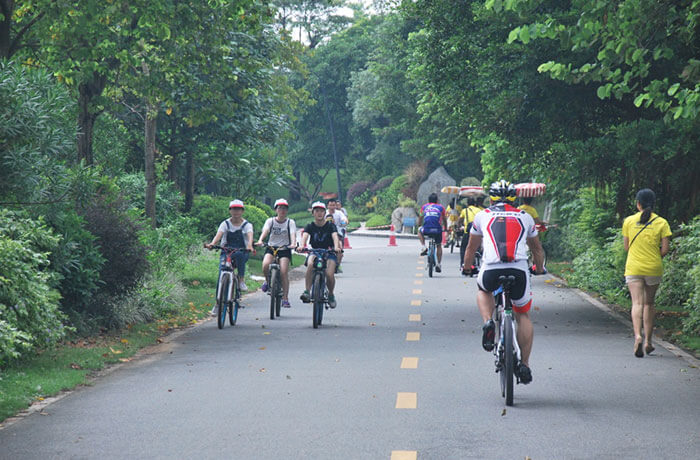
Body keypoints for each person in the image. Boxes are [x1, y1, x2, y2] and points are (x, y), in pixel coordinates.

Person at [462, 180, 545, 384]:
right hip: (518, 270)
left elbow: (471, 249)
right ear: (514, 198)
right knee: (522, 314)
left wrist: (467, 268)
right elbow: (536, 249)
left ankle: (488, 322)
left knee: (483, 290)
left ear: (491, 199)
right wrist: (540, 268)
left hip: (491, 268)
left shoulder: (482, 216)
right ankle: (524, 365)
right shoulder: (525, 217)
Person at [622, 188, 672, 357]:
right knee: (649, 304)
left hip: (634, 268)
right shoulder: (662, 222)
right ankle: (649, 342)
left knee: (637, 303)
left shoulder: (629, 221)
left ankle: (637, 336)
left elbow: (626, 247)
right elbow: (665, 249)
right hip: (653, 268)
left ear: (638, 204)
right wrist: (652, 256)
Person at [205, 199, 255, 314]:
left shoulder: (247, 225)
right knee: (221, 273)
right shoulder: (225, 223)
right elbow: (219, 235)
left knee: (239, 255)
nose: (236, 212)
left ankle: (241, 280)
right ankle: (218, 304)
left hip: (241, 251)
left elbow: (249, 236)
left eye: (238, 209)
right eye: (233, 209)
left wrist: (249, 246)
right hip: (226, 251)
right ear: (230, 211)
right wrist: (212, 244)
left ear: (242, 211)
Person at [299, 201, 342, 308]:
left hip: (329, 252)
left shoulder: (330, 226)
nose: (319, 213)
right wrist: (301, 245)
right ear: (313, 213)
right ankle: (307, 291)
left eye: (322, 211)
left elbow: (335, 237)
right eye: (317, 211)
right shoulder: (310, 226)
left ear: (324, 213)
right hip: (315, 251)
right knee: (310, 264)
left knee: (329, 274)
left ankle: (331, 295)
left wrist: (337, 247)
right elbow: (304, 236)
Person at [255, 198, 297, 308]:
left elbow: (293, 234)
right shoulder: (270, 221)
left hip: (284, 249)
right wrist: (260, 240)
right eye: (280, 208)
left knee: (283, 272)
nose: (282, 210)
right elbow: (266, 231)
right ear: (276, 210)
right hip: (271, 247)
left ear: (287, 210)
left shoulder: (290, 222)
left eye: (284, 208)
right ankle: (267, 281)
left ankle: (285, 298)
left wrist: (293, 244)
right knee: (265, 265)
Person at [418, 193, 447, 272]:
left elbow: (421, 217)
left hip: (426, 229)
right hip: (437, 230)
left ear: (428, 201)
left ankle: (424, 247)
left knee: (419, 230)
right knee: (438, 245)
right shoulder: (441, 207)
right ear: (437, 200)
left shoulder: (424, 207)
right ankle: (439, 264)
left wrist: (419, 225)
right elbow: (444, 219)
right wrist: (446, 228)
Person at [459, 196, 484, 270]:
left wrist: (459, 226)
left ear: (467, 203)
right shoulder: (479, 210)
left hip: (468, 231)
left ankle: (463, 264)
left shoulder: (465, 210)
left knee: (463, 247)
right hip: (478, 232)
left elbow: (460, 219)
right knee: (479, 247)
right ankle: (479, 255)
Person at [326, 198, 348, 272]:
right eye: (330, 205)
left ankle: (337, 265)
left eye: (333, 205)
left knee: (340, 250)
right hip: (326, 234)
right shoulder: (324, 213)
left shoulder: (339, 213)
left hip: (337, 233)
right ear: (327, 206)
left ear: (336, 206)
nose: (332, 207)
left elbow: (344, 219)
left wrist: (344, 222)